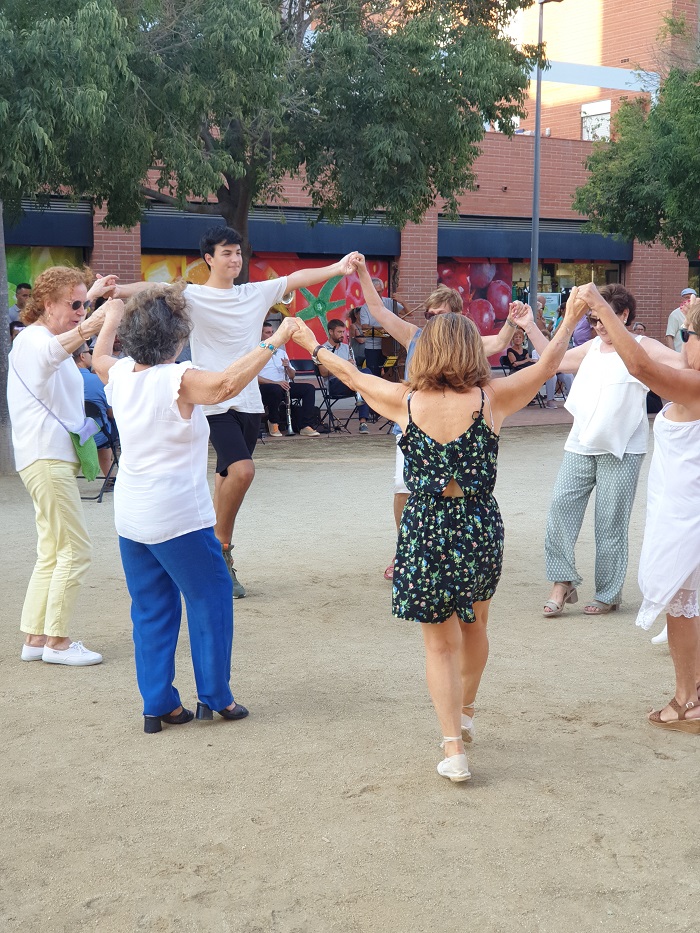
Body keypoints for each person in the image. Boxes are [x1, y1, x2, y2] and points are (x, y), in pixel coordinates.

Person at [291, 274, 587, 782]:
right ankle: (466, 709)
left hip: (425, 524)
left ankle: (454, 748)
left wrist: (311, 343)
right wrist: (572, 318)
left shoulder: (404, 400)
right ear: (472, 349)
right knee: (476, 627)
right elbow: (549, 364)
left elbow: (349, 374)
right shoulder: (492, 398)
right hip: (477, 523)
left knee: (439, 644)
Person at [92, 286, 300, 732]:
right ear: (178, 336)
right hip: (178, 515)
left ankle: (158, 704)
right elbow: (226, 384)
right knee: (210, 599)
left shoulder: (121, 373)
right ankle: (215, 697)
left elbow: (97, 358)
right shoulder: (177, 378)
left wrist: (110, 318)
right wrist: (275, 339)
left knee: (150, 609)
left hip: (131, 514)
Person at [113, 226, 362, 598]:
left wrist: (338, 267)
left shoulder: (254, 293)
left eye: (238, 253)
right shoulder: (193, 295)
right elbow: (153, 291)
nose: (234, 259)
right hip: (212, 397)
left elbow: (296, 278)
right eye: (226, 252)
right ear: (209, 258)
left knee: (226, 473)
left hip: (249, 400)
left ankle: (216, 551)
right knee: (243, 471)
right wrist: (115, 291)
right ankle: (221, 547)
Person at [352, 272, 536, 580]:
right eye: (429, 315)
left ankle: (455, 548)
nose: (433, 320)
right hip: (414, 425)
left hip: (458, 424)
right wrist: (362, 271)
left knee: (456, 491)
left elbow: (503, 340)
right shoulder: (414, 335)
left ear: (458, 315)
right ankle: (405, 547)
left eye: (440, 314)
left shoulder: (470, 340)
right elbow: (379, 310)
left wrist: (511, 321)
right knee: (403, 488)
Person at [581, 284, 700, 733]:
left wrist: (600, 308)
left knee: (682, 607)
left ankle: (688, 701)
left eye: (689, 335)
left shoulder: (694, 384)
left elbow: (639, 365)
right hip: (683, 508)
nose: (684, 343)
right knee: (687, 607)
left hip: (685, 515)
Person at [526, 284, 686, 617]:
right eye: (594, 320)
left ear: (624, 315)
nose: (598, 327)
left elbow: (684, 365)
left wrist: (688, 328)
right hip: (581, 443)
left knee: (610, 523)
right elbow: (553, 360)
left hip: (624, 449)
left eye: (603, 319)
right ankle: (562, 582)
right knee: (560, 509)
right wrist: (529, 325)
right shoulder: (592, 347)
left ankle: (609, 593)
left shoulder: (643, 345)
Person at [7, 266, 116, 665]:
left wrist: (91, 300)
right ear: (48, 304)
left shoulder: (39, 336)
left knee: (53, 549)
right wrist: (93, 322)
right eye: (73, 304)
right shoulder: (35, 340)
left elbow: (62, 335)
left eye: (81, 303)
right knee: (74, 548)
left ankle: (37, 638)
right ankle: (56, 642)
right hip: (46, 457)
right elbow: (57, 348)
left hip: (44, 456)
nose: (79, 311)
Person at [257, 320, 320, 437]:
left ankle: (305, 425)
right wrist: (276, 383)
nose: (271, 335)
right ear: (260, 335)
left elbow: (292, 376)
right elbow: (255, 378)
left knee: (309, 389)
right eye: (267, 333)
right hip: (267, 387)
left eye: (272, 333)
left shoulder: (281, 352)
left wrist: (287, 367)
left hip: (285, 385)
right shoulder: (256, 353)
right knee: (275, 389)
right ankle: (273, 422)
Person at [73, 342, 118, 479]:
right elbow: (111, 413)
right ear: (82, 356)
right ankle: (110, 476)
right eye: (89, 352)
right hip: (98, 436)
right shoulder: (97, 381)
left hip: (71, 436)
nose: (91, 355)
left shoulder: (60, 380)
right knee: (106, 424)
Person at [318, 319, 372, 433]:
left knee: (365, 374)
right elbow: (323, 372)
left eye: (343, 332)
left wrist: (352, 367)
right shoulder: (322, 350)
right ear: (331, 332)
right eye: (339, 332)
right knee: (365, 383)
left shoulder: (346, 348)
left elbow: (355, 371)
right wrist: (344, 366)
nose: (342, 335)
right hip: (334, 384)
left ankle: (363, 422)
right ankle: (377, 400)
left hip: (352, 382)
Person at [353, 277, 405, 375]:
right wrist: (382, 329)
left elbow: (408, 313)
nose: (379, 295)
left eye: (380, 292)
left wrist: (402, 301)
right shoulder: (365, 308)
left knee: (392, 372)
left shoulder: (389, 302)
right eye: (376, 292)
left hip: (390, 347)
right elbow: (365, 327)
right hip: (373, 348)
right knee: (374, 375)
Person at [665, 287, 696, 352]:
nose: (690, 299)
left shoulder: (697, 314)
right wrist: (673, 355)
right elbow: (669, 336)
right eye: (687, 297)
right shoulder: (675, 314)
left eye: (692, 297)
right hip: (680, 355)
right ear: (681, 299)